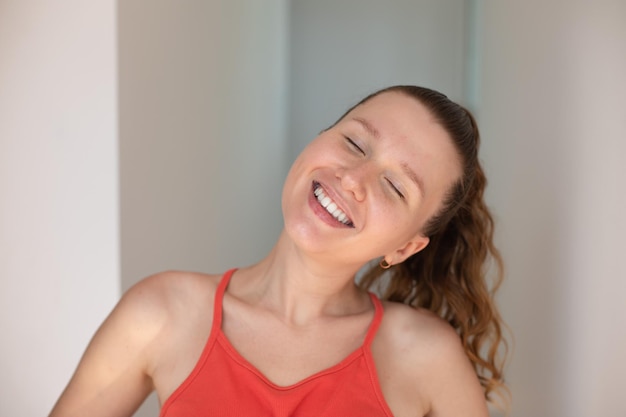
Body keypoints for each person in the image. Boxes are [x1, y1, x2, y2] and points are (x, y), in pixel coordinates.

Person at [50, 85, 507, 417]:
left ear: (405, 246)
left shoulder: (425, 356)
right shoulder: (162, 313)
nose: (352, 178)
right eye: (353, 142)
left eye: (393, 185)